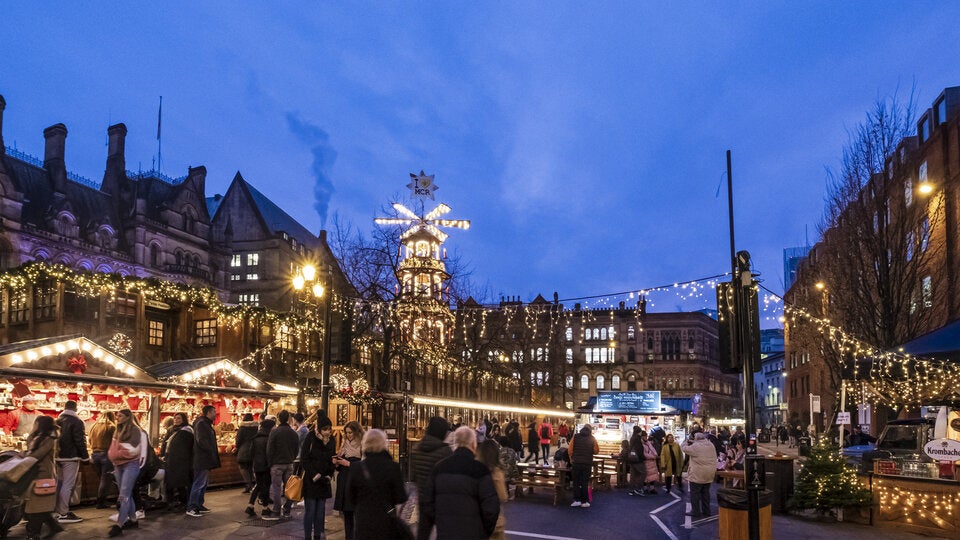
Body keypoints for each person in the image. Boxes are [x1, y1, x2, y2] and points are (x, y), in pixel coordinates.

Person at [422, 426, 499, 539]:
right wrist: (483, 532)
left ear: (455, 443)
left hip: (445, 533)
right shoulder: (480, 470)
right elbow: (491, 508)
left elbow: (428, 503)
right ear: (473, 444)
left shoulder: (439, 468)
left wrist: (441, 521)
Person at [346, 429, 407, 539]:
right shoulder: (393, 467)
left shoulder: (357, 468)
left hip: (363, 522)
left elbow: (350, 497)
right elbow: (401, 497)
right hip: (386, 522)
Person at [107, 409, 148, 537]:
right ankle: (133, 520)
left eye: (120, 415)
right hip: (118, 464)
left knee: (124, 494)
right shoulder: (117, 430)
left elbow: (134, 451)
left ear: (127, 417)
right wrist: (114, 455)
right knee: (126, 493)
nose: (117, 417)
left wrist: (116, 454)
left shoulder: (135, 431)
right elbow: (113, 448)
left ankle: (119, 524)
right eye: (117, 415)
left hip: (131, 464)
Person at [410, 416, 452, 540]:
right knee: (444, 533)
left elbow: (413, 477)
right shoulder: (446, 452)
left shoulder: (416, 449)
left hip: (423, 499)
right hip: (441, 500)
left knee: (423, 533)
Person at [23, 415, 63, 540]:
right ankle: (53, 526)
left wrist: (24, 458)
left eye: (36, 423)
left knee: (37, 504)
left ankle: (33, 533)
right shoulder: (38, 437)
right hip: (35, 473)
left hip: (43, 474)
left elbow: (37, 455)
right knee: (39, 503)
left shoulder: (49, 439)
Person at [301, 413, 336, 540]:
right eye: (325, 429)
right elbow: (304, 459)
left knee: (321, 512)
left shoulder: (331, 440)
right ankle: (307, 536)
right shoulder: (310, 437)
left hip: (324, 481)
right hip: (312, 480)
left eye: (329, 429)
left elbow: (332, 458)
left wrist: (329, 473)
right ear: (319, 429)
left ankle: (317, 536)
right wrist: (315, 474)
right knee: (310, 511)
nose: (327, 432)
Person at [261, 410, 300, 520]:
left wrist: (270, 462)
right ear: (288, 419)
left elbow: (269, 449)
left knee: (276, 488)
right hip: (289, 463)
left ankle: (276, 510)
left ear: (278, 419)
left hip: (277, 464)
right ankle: (287, 510)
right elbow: (296, 448)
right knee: (289, 488)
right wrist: (292, 457)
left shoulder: (274, 432)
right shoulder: (293, 432)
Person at [54, 400, 88, 524]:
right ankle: (63, 513)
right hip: (71, 457)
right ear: (76, 408)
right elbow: (80, 440)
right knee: (68, 485)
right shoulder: (77, 421)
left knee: (60, 484)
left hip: (58, 457)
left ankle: (57, 511)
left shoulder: (57, 420)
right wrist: (85, 457)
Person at [186, 405, 220, 517]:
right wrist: (210, 450)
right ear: (209, 413)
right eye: (214, 412)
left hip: (204, 458)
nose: (215, 414)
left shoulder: (204, 423)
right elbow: (202, 440)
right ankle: (192, 506)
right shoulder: (202, 424)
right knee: (199, 482)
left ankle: (199, 504)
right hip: (202, 458)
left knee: (203, 483)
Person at [333, 421, 363, 539]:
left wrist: (349, 463)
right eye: (347, 433)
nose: (349, 435)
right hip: (344, 480)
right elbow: (341, 465)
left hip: (355, 481)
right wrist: (337, 462)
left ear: (356, 432)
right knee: (347, 512)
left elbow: (364, 464)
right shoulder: (344, 443)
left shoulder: (363, 444)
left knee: (356, 511)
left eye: (351, 432)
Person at [160, 412, 193, 511]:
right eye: (175, 418)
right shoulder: (172, 430)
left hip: (182, 461)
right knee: (169, 482)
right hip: (170, 460)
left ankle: (184, 502)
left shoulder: (187, 430)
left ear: (184, 419)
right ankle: (170, 502)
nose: (176, 420)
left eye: (179, 418)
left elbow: (187, 447)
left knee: (181, 483)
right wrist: (163, 454)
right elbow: (165, 443)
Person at [476, 439, 508, 540]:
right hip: (494, 522)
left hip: (477, 521)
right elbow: (503, 496)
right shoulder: (496, 472)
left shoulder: (475, 470)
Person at [244, 416, 275, 517]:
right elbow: (270, 453)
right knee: (265, 486)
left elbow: (251, 452)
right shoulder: (269, 439)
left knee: (258, 485)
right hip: (266, 465)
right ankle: (265, 508)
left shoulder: (255, 438)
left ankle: (250, 505)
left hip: (257, 466)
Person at [683, 432, 717, 520]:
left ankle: (696, 511)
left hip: (697, 474)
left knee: (695, 493)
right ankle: (707, 511)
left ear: (696, 438)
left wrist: (685, 441)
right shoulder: (710, 445)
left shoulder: (695, 446)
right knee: (705, 493)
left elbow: (684, 448)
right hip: (709, 473)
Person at [89, 411, 116, 508]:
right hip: (106, 454)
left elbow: (89, 440)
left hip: (94, 455)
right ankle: (101, 502)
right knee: (105, 479)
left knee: (101, 479)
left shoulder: (94, 426)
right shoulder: (112, 427)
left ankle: (100, 500)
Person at [567, 425, 598, 508]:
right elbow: (596, 451)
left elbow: (570, 450)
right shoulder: (592, 438)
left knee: (576, 482)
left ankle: (577, 500)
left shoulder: (575, 436)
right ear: (590, 430)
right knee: (584, 482)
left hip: (576, 463)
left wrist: (571, 459)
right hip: (587, 463)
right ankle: (585, 502)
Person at [235, 413, 258, 493]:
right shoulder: (256, 428)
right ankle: (254, 485)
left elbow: (238, 441)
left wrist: (237, 447)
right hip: (254, 450)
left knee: (243, 467)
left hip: (244, 450)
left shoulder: (242, 428)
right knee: (251, 467)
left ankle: (249, 485)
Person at [626, 426, 645, 496]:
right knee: (643, 473)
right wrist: (642, 458)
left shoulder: (632, 438)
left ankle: (631, 490)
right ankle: (639, 488)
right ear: (639, 432)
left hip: (631, 459)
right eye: (640, 432)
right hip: (637, 460)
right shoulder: (637, 439)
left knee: (633, 475)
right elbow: (639, 450)